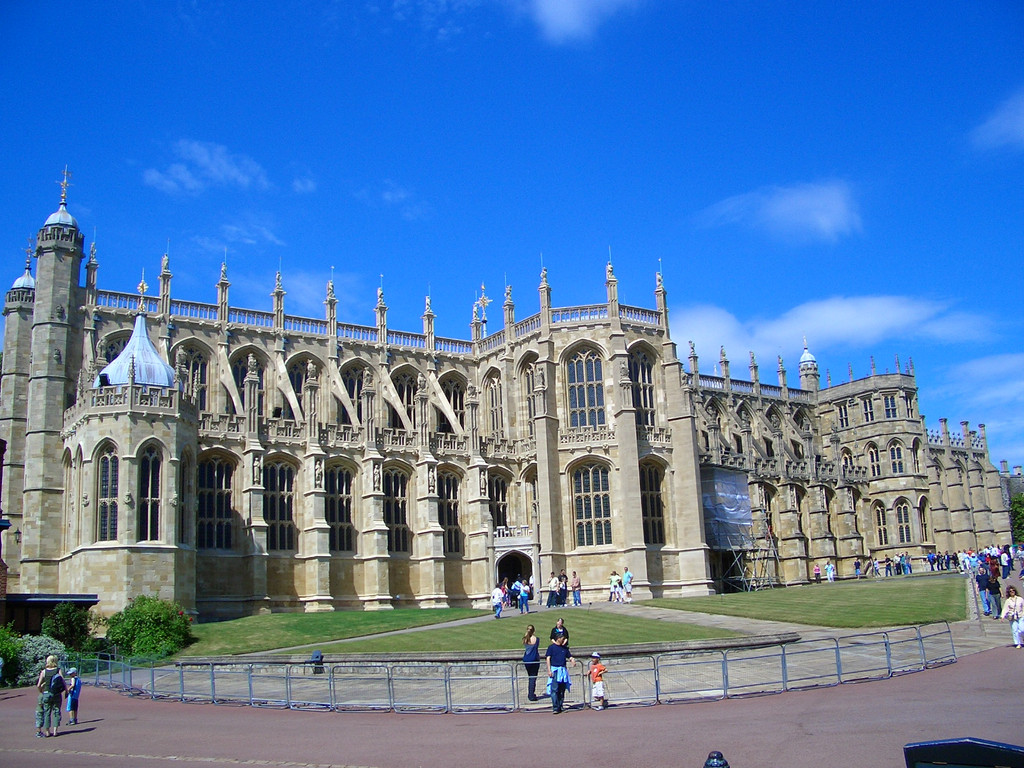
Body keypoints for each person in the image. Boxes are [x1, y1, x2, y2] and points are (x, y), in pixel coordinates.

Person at [35, 655, 64, 738]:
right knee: (56, 711)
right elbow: (62, 681)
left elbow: (38, 685)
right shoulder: (58, 670)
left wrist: (41, 691)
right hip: (56, 693)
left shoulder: (44, 671)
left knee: (47, 712)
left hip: (47, 693)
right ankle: (55, 730)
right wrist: (66, 690)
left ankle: (47, 731)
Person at [545, 635, 575, 714]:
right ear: (558, 639)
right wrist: (549, 670)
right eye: (562, 638)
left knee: (562, 690)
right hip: (555, 670)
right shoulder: (551, 647)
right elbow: (548, 658)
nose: (564, 640)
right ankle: (555, 707)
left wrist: (572, 660)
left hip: (562, 670)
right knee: (554, 690)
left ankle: (560, 706)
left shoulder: (564, 648)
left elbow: (569, 656)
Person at [522, 625, 541, 701]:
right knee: (533, 677)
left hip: (527, 659)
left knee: (530, 677)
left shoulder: (525, 639)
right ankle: (531, 695)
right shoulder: (536, 639)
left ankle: (531, 693)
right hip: (534, 659)